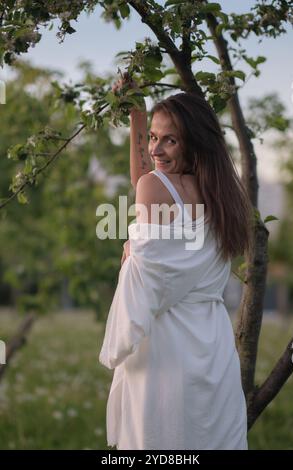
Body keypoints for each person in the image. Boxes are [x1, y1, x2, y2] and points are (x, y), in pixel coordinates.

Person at [99, 74, 253, 450]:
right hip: (212, 344)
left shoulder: (156, 187)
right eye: (153, 137)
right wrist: (138, 113)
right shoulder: (223, 194)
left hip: (165, 347)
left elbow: (151, 277)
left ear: (194, 143)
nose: (156, 149)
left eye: (170, 139)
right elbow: (147, 183)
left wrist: (134, 251)